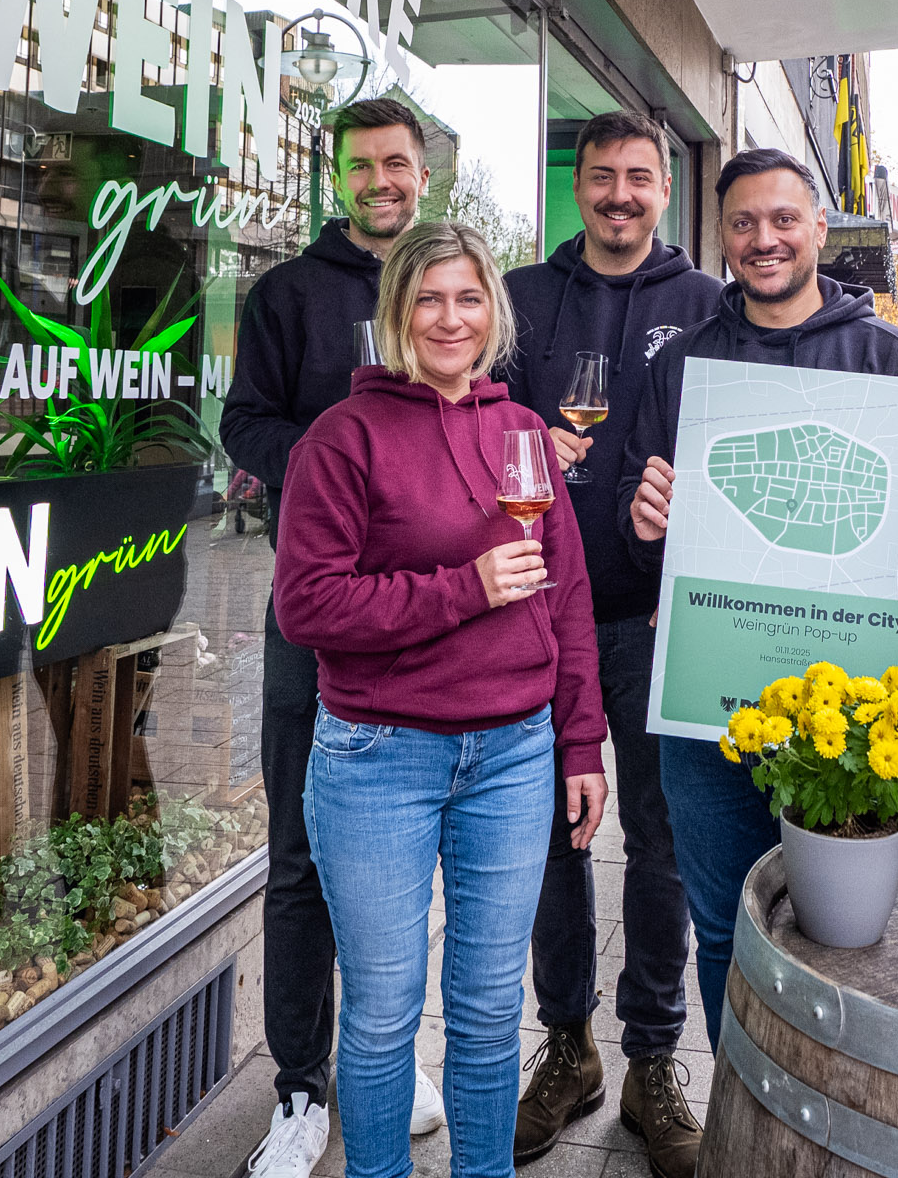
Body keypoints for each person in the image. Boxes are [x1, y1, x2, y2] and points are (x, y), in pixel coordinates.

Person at [273, 221, 608, 1178]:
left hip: (511, 754)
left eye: (468, 298)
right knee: (381, 1012)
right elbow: (308, 605)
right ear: (397, 315)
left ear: (492, 313)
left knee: (490, 1009)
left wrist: (580, 743)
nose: (449, 318)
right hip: (380, 757)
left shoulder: (522, 436)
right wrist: (465, 586)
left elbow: (568, 598)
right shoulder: (344, 440)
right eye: (428, 299)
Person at [622, 148, 898, 1043]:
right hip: (710, 702)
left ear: (817, 228)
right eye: (742, 223)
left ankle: (837, 1112)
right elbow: (637, 512)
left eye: (782, 220)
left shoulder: (894, 361)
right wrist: (644, 517)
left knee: (844, 932)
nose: (763, 240)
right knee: (727, 923)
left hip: (851, 716)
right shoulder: (684, 363)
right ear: (722, 236)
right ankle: (745, 1115)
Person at [218, 96, 443, 1174]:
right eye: (362, 166)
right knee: (303, 856)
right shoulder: (287, 294)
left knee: (406, 856)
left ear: (424, 171)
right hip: (314, 616)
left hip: (435, 619)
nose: (381, 181)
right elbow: (245, 424)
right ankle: (301, 1086)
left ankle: (385, 1055)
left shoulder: (448, 291)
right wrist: (348, 454)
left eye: (397, 162)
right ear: (339, 176)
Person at [500, 113, 722, 1173]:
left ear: (665, 190)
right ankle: (566, 1046)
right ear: (577, 186)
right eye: (602, 177)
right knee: (553, 839)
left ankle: (650, 1055)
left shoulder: (706, 302)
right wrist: (520, 437)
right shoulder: (521, 298)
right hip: (534, 613)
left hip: (651, 617)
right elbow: (464, 410)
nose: (621, 193)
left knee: (661, 842)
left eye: (640, 176)